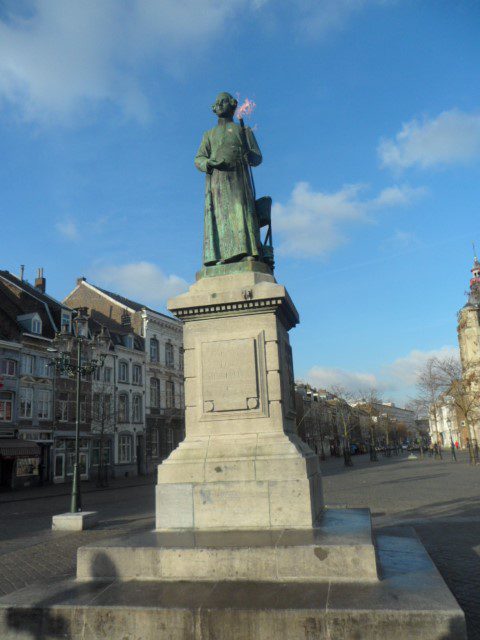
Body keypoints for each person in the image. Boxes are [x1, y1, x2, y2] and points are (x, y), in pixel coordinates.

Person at [195, 92, 263, 266]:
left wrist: (248, 154)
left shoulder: (243, 130)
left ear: (232, 105)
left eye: (223, 101)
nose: (219, 104)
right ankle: (218, 256)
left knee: (240, 211)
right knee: (219, 217)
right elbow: (199, 158)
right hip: (216, 182)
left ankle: (246, 252)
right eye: (216, 102)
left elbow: (257, 157)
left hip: (238, 179)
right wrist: (208, 163)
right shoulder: (208, 135)